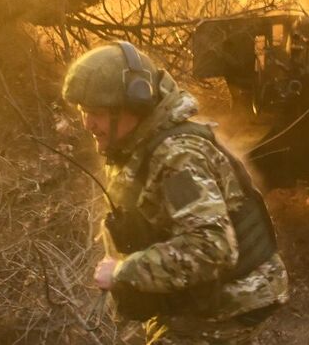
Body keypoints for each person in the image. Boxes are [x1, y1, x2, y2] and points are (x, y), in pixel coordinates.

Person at [63, 41, 289, 344]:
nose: (88, 124)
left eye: (97, 113)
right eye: (83, 112)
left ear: (136, 105)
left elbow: (210, 249)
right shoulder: (135, 145)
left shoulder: (179, 157)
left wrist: (124, 272)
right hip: (201, 296)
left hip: (229, 302)